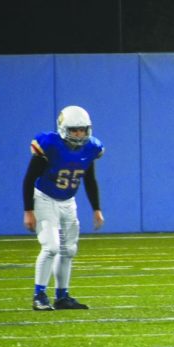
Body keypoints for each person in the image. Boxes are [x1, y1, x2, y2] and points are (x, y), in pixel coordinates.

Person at [23, 105, 105, 310]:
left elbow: (90, 179)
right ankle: (39, 295)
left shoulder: (91, 148)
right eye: (74, 130)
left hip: (68, 202)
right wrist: (28, 210)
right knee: (51, 247)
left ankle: (62, 296)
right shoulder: (50, 145)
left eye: (83, 129)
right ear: (63, 129)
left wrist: (96, 208)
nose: (79, 134)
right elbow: (29, 179)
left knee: (68, 250)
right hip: (44, 199)